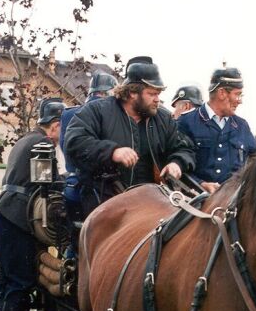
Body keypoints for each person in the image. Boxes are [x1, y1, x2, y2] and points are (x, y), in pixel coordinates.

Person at [63, 56, 196, 215]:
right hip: (105, 204)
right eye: (152, 93)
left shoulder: (164, 119)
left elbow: (185, 148)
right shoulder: (97, 112)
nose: (157, 100)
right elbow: (74, 142)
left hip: (154, 205)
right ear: (133, 92)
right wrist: (112, 152)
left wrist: (177, 163)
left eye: (158, 94)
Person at [0, 97, 65, 311]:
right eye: (63, 128)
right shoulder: (43, 144)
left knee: (9, 279)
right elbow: (46, 184)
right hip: (15, 216)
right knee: (19, 279)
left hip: (5, 214)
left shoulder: (25, 139)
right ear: (55, 125)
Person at [177, 67, 256, 193]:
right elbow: (175, 162)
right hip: (194, 202)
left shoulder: (242, 126)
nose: (240, 101)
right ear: (221, 93)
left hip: (232, 204)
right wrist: (201, 184)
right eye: (237, 94)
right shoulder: (186, 122)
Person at [60, 71, 117, 222]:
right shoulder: (107, 112)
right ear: (109, 93)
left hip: (71, 187)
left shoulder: (67, 114)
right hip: (101, 190)